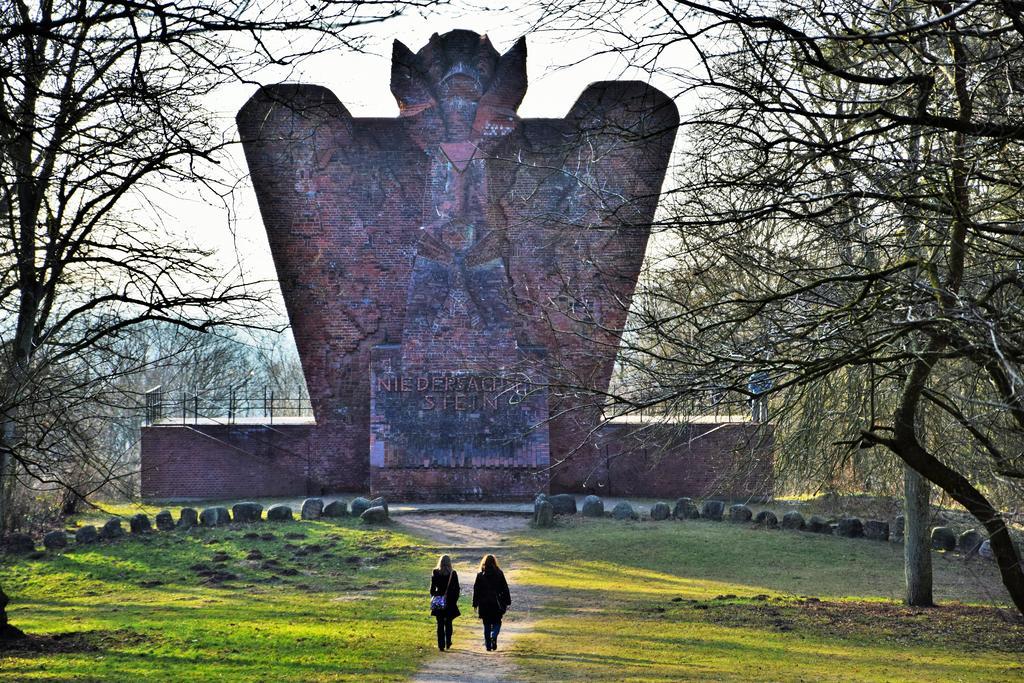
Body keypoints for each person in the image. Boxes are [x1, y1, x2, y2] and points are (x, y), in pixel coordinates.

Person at [472, 554, 511, 651]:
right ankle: (494, 636)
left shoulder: (480, 575)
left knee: (486, 624)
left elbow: (476, 590)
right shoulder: (499, 573)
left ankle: (488, 645)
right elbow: (505, 588)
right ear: (494, 562)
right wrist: (507, 601)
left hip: (484, 604)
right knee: (497, 622)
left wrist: (475, 603)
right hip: (497, 603)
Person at [430, 554, 461, 651]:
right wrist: (454, 600)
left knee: (440, 623)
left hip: (439, 602)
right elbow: (457, 589)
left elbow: (432, 589)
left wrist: (436, 596)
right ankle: (448, 641)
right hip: (450, 602)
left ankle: (441, 645)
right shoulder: (453, 573)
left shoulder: (435, 572)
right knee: (448, 622)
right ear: (449, 563)